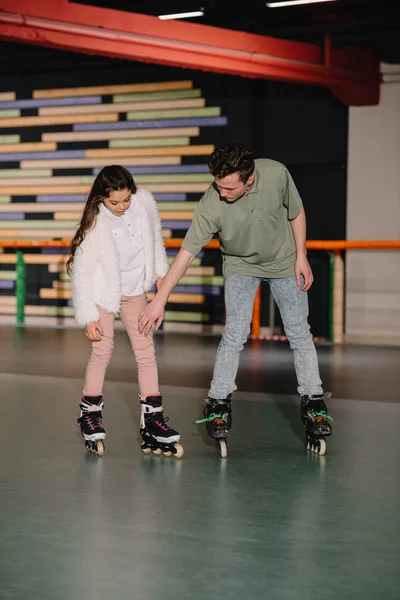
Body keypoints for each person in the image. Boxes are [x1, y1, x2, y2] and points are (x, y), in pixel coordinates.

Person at [138, 143, 332, 456]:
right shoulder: (212, 202)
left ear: (250, 180)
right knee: (234, 335)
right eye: (217, 184)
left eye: (228, 187)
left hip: (284, 263)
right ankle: (218, 403)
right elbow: (187, 253)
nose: (222, 192)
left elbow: (296, 212)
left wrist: (302, 255)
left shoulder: (277, 174)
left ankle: (314, 402)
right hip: (241, 265)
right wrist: (160, 299)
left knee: (299, 334)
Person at [66, 165, 183, 458]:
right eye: (113, 202)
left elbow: (154, 242)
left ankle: (153, 420)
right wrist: (88, 315)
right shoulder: (95, 222)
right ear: (101, 199)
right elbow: (82, 272)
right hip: (104, 295)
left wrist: (160, 276)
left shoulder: (144, 204)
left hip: (135, 292)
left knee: (146, 350)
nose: (121, 207)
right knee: (102, 351)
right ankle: (89, 412)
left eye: (125, 200)